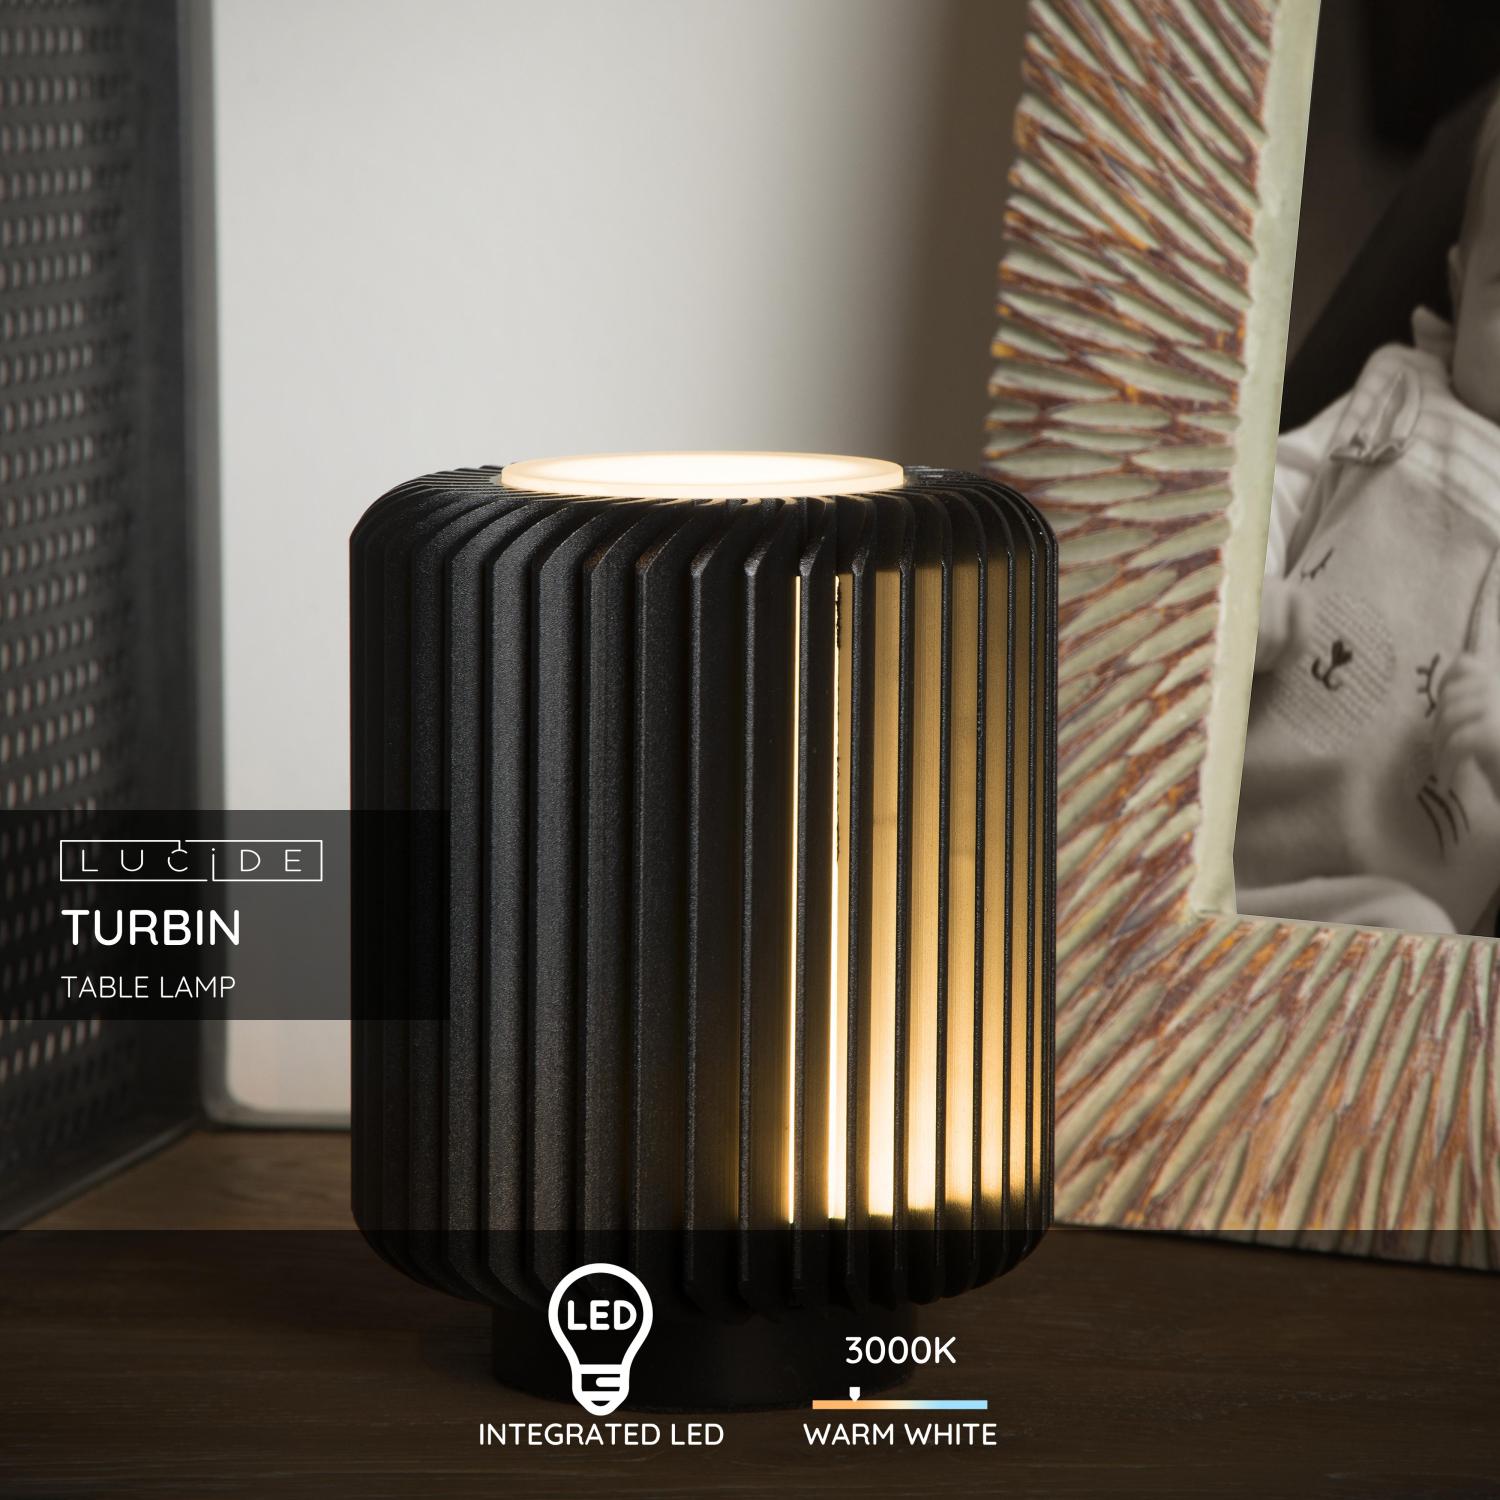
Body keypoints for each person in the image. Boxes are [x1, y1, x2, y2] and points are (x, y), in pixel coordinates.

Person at [1235, 98, 1500, 935]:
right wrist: (1248, 584)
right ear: (1459, 286)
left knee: (1418, 933)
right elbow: (1270, 488)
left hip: (1366, 920)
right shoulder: (1396, 392)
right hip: (1224, 813)